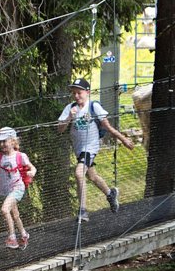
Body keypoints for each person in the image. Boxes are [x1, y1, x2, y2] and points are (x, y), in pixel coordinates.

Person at [56, 78, 135, 222]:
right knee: (91, 176)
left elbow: (107, 126)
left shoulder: (93, 106)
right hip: (79, 148)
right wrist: (69, 117)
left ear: (87, 92)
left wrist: (123, 139)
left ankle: (83, 211)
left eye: (79, 92)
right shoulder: (70, 108)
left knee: (79, 173)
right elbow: (60, 129)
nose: (76, 96)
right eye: (73, 93)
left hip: (91, 146)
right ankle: (110, 193)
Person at [0, 127, 37, 249]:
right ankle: (24, 234)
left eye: (4, 141)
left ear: (12, 141)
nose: (1, 144)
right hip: (6, 191)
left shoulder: (20, 156)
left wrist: (32, 172)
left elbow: (32, 168)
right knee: (15, 214)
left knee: (4, 210)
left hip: (17, 188)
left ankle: (12, 238)